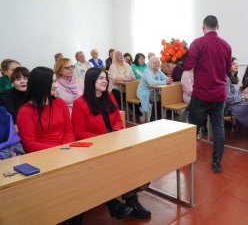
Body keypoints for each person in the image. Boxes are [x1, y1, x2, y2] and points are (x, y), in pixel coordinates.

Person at [71, 67, 150, 221]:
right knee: (111, 168)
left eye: (105, 78)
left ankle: (131, 200)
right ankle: (116, 201)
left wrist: (116, 133)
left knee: (135, 163)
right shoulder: (80, 103)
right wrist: (104, 140)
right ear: (91, 81)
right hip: (95, 147)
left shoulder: (109, 97)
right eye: (100, 78)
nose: (105, 81)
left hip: (115, 141)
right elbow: (79, 133)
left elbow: (117, 121)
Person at [183, 15, 232, 173]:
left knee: (193, 126)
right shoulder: (226, 45)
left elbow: (188, 65)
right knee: (218, 127)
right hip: (219, 93)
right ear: (218, 27)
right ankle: (217, 160)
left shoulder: (198, 43)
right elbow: (227, 69)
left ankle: (187, 156)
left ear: (203, 28)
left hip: (201, 93)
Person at [17, 66, 75, 153]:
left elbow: (68, 130)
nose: (55, 85)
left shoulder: (60, 103)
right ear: (40, 84)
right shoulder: (25, 111)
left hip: (65, 149)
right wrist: (57, 150)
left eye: (55, 81)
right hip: (43, 154)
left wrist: (65, 147)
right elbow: (29, 144)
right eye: (51, 82)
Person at [137, 57, 172, 122]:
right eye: (155, 63)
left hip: (154, 91)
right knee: (158, 98)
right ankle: (154, 119)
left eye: (158, 63)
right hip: (144, 92)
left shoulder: (158, 71)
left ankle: (159, 118)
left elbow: (166, 78)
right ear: (150, 64)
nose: (157, 64)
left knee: (165, 98)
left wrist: (169, 80)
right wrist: (165, 82)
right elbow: (151, 82)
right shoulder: (147, 71)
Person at [226, 58, 248, 128]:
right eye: (234, 64)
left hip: (238, 102)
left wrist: (242, 95)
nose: (236, 65)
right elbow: (228, 98)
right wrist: (241, 97)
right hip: (231, 106)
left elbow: (238, 93)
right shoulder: (226, 79)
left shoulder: (235, 78)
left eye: (237, 64)